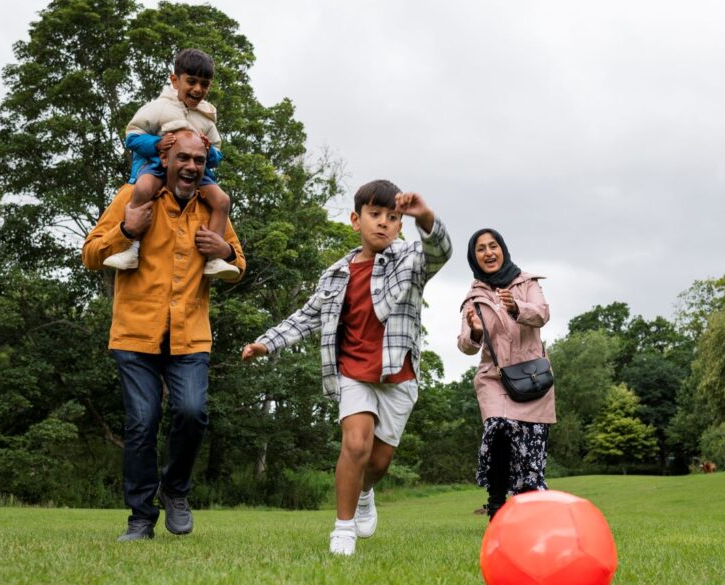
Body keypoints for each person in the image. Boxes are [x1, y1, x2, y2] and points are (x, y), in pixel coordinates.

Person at [241, 180, 452, 556]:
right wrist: (266, 342)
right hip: (354, 372)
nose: (383, 223)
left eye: (392, 217)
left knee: (379, 462)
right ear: (356, 220)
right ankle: (342, 529)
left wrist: (426, 217)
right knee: (355, 444)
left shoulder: (409, 260)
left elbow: (439, 252)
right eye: (374, 215)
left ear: (401, 225)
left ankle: (366, 491)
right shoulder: (335, 275)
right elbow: (306, 317)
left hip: (397, 376)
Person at [82, 129, 246, 541]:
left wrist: (223, 251)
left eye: (199, 161)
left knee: (192, 413)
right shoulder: (133, 196)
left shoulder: (213, 208)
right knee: (142, 422)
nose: (192, 166)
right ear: (166, 159)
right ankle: (140, 518)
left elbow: (238, 264)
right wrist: (126, 229)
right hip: (135, 333)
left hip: (190, 334)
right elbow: (90, 254)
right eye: (184, 158)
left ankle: (175, 489)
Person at [102, 48, 241, 282]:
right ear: (175, 80)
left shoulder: (206, 118)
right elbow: (132, 137)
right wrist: (157, 144)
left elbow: (217, 156)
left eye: (204, 84)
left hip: (202, 178)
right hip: (156, 167)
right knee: (143, 188)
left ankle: (213, 260)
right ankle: (131, 248)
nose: (198, 89)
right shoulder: (158, 108)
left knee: (223, 200)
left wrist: (225, 251)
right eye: (192, 81)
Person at [458, 229, 556, 521]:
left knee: (530, 451)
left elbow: (542, 314)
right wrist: (475, 331)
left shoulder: (527, 283)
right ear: (474, 257)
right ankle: (497, 505)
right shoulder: (473, 297)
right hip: (494, 377)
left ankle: (527, 512)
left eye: (493, 246)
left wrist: (517, 308)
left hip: (532, 376)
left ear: (502, 249)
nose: (488, 252)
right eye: (481, 249)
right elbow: (464, 344)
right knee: (498, 430)